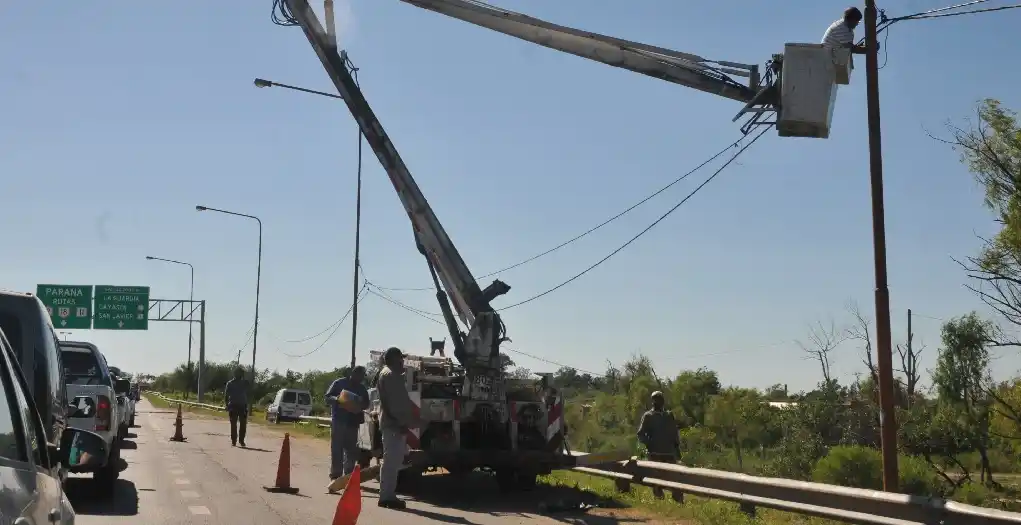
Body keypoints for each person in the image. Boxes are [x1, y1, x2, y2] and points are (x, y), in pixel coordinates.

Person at [376, 347, 421, 510]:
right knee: (391, 462)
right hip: (394, 424)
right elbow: (395, 405)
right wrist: (404, 423)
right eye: (401, 359)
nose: (403, 362)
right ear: (395, 359)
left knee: (393, 461)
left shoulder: (387, 374)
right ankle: (387, 496)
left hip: (393, 423)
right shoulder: (391, 376)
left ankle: (387, 494)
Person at [325, 365, 370, 482]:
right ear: (353, 373)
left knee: (351, 451)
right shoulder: (339, 383)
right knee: (337, 448)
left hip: (353, 422)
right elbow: (327, 397)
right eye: (358, 375)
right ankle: (335, 475)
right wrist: (338, 399)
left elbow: (366, 404)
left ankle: (348, 476)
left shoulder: (362, 388)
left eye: (362, 376)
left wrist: (360, 402)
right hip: (339, 420)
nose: (360, 378)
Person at [636, 391, 679, 498]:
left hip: (669, 452)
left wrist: (677, 447)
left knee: (675, 479)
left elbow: (674, 432)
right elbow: (640, 434)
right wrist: (649, 444)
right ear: (652, 401)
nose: (657, 401)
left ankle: (678, 501)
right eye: (655, 399)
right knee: (656, 481)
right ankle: (659, 501)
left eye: (660, 399)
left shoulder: (669, 415)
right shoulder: (648, 416)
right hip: (655, 453)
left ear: (663, 401)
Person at [224, 368, 250, 448]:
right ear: (234, 374)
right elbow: (226, 395)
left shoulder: (245, 383)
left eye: (240, 373)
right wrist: (226, 405)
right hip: (233, 405)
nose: (238, 375)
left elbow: (249, 391)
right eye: (237, 373)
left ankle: (241, 440)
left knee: (243, 424)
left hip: (243, 405)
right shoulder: (230, 383)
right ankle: (234, 440)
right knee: (233, 424)